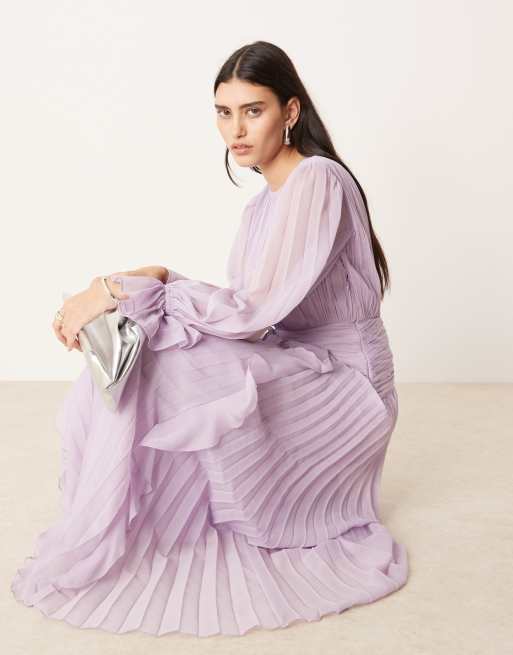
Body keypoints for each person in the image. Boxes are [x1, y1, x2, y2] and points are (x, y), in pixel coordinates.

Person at [11, 40, 409, 637]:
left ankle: (130, 512)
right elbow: (247, 316)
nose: (236, 130)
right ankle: (116, 517)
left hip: (347, 387)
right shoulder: (260, 209)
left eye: (253, 111)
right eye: (224, 113)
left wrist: (128, 285)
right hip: (298, 360)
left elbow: (249, 315)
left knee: (168, 351)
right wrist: (136, 296)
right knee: (156, 352)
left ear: (290, 112)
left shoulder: (318, 179)